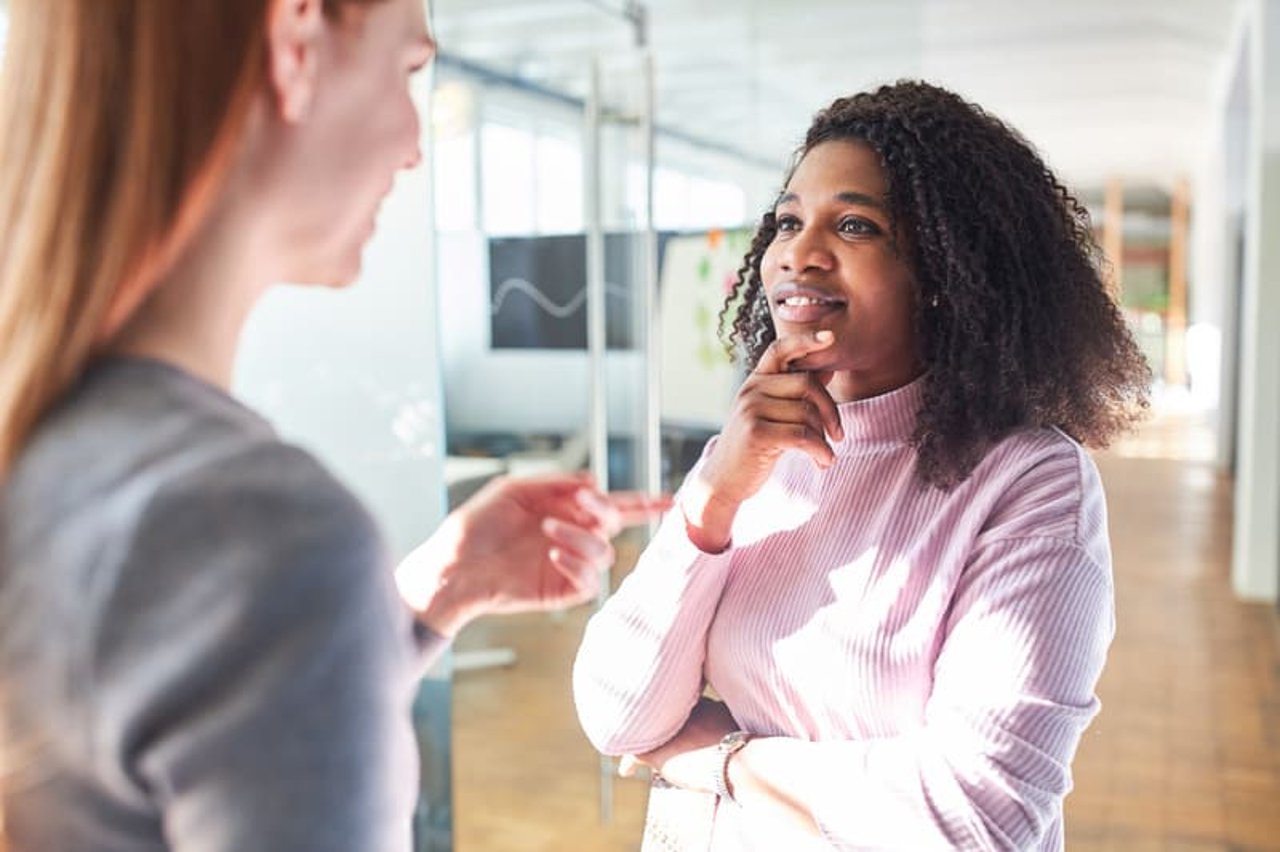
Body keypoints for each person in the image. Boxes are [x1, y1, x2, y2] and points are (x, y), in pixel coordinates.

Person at [0, 1, 666, 850]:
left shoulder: (60, 457)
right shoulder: (256, 528)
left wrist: (430, 601)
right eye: (407, 70)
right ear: (298, 41)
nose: (414, 145)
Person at [573, 80, 1151, 851]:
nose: (798, 254)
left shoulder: (1029, 482)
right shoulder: (752, 454)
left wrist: (719, 759)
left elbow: (978, 820)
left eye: (854, 225)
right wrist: (711, 506)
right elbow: (619, 716)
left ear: (947, 269)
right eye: (787, 221)